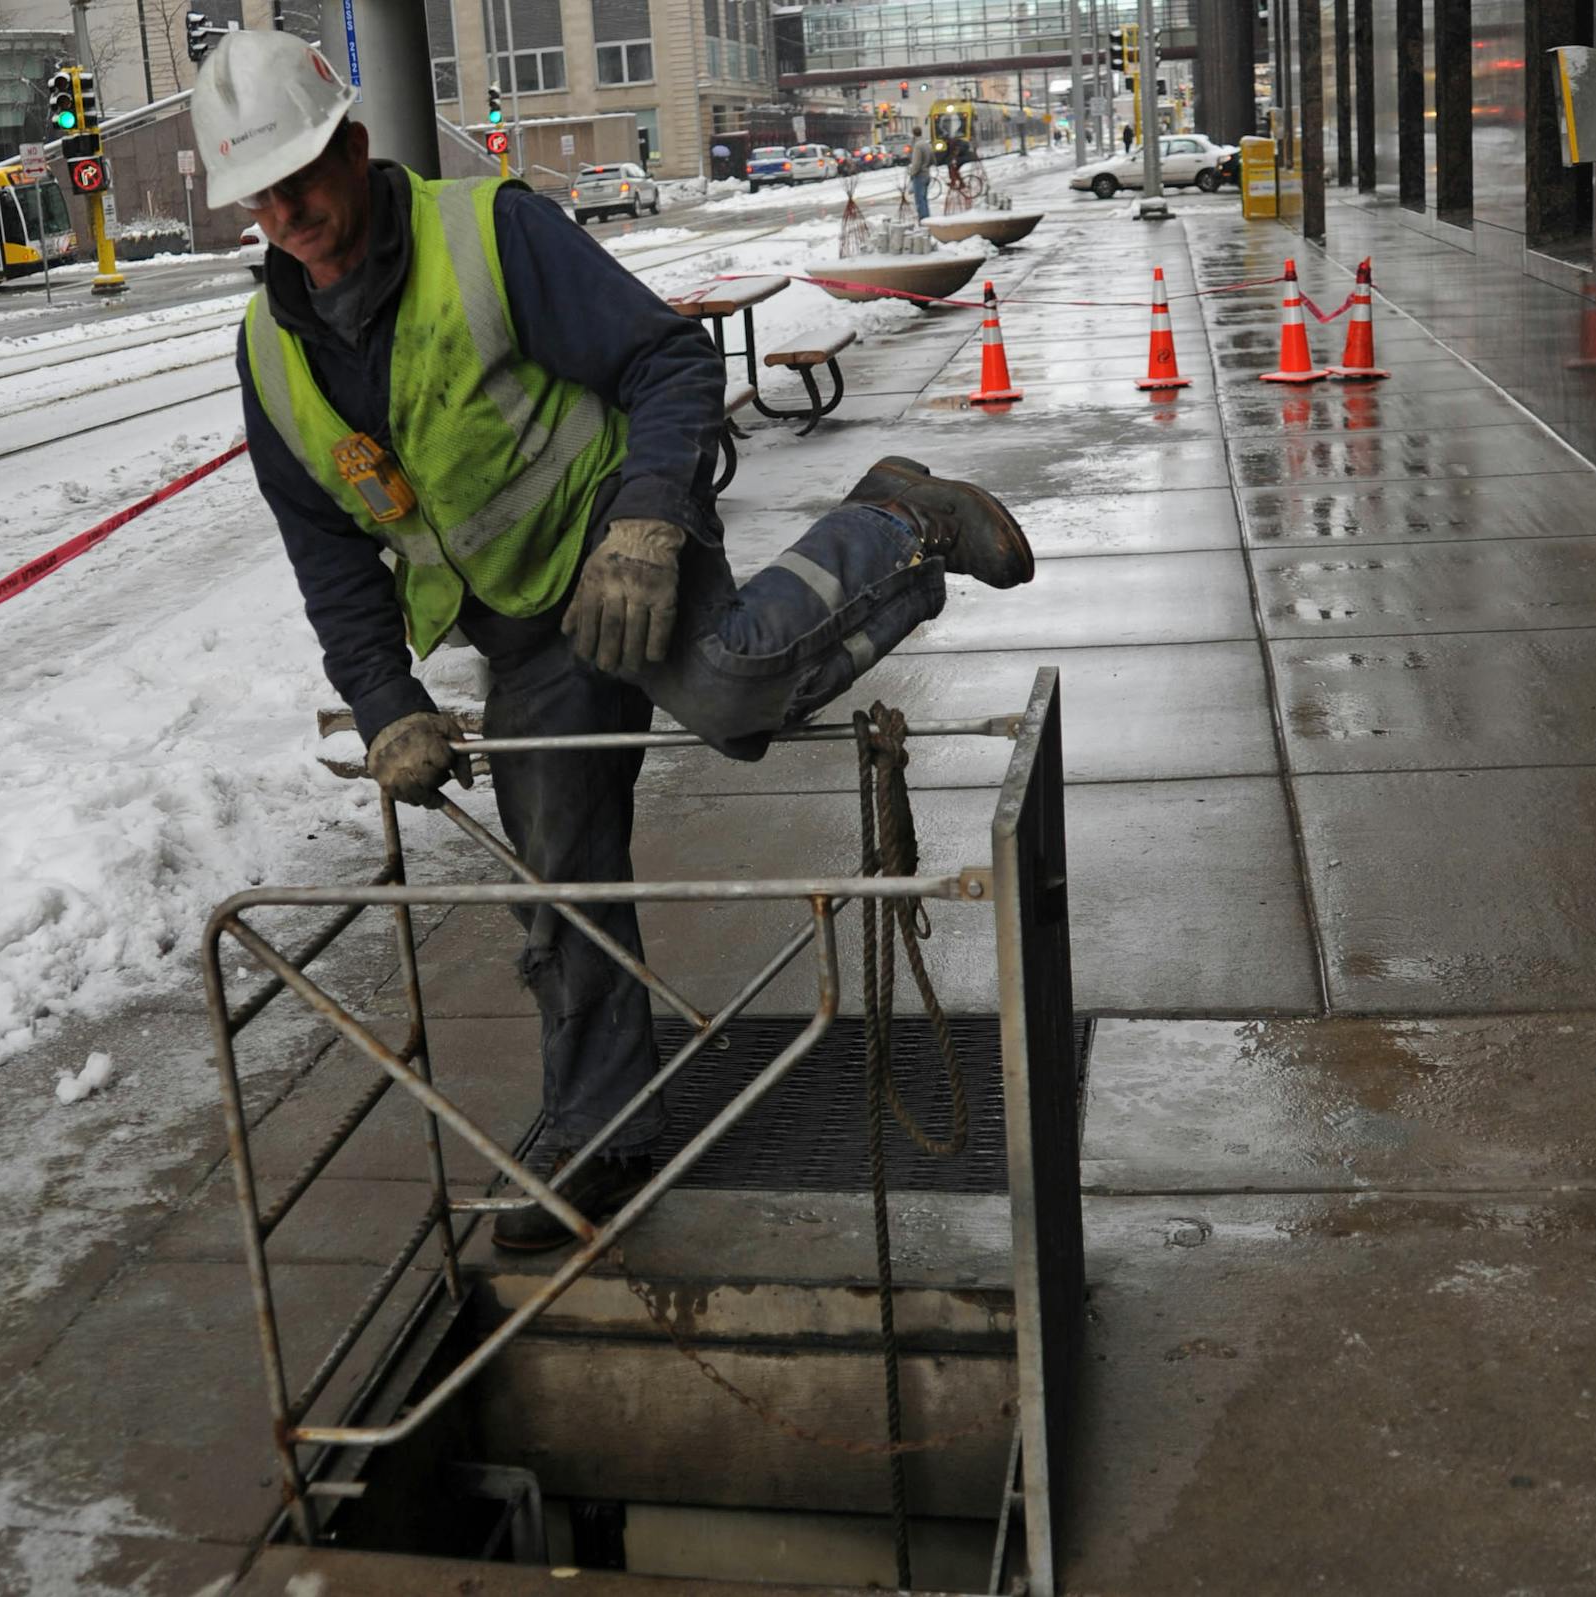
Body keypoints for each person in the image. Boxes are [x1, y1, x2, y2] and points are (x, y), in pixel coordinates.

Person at [195, 31, 1033, 1252]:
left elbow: (668, 361)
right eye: (260, 199)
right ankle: (603, 1129)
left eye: (301, 180)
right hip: (518, 623)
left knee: (731, 691)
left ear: (354, 147)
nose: (288, 217)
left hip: (615, 530)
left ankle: (903, 523)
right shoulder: (273, 357)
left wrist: (648, 521)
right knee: (561, 879)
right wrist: (385, 702)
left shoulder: (490, 234)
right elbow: (328, 555)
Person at [906, 134, 932, 220]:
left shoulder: (917, 146)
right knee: (924, 198)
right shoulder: (927, 144)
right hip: (927, 174)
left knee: (919, 199)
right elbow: (933, 159)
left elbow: (916, 164)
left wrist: (912, 173)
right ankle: (927, 217)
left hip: (919, 176)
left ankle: (923, 219)